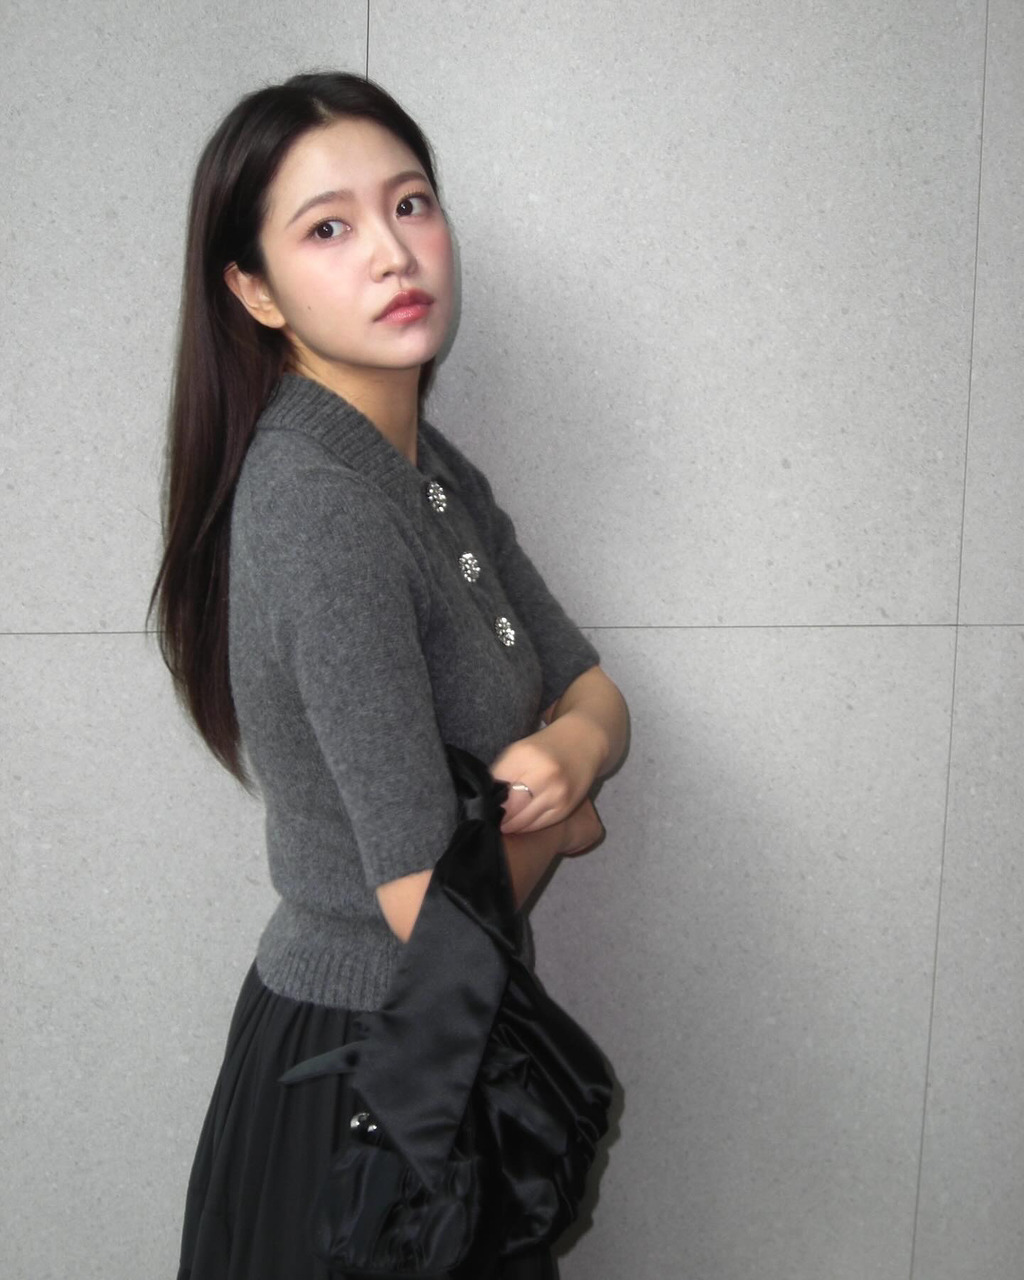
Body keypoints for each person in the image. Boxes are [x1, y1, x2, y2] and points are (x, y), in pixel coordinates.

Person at [148, 69, 629, 1280]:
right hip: (362, 1081)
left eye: (410, 203)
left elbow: (587, 684)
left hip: (435, 1052)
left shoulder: (422, 468)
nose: (392, 252)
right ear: (254, 289)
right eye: (329, 228)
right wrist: (565, 817)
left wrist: (571, 753)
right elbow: (429, 914)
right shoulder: (321, 504)